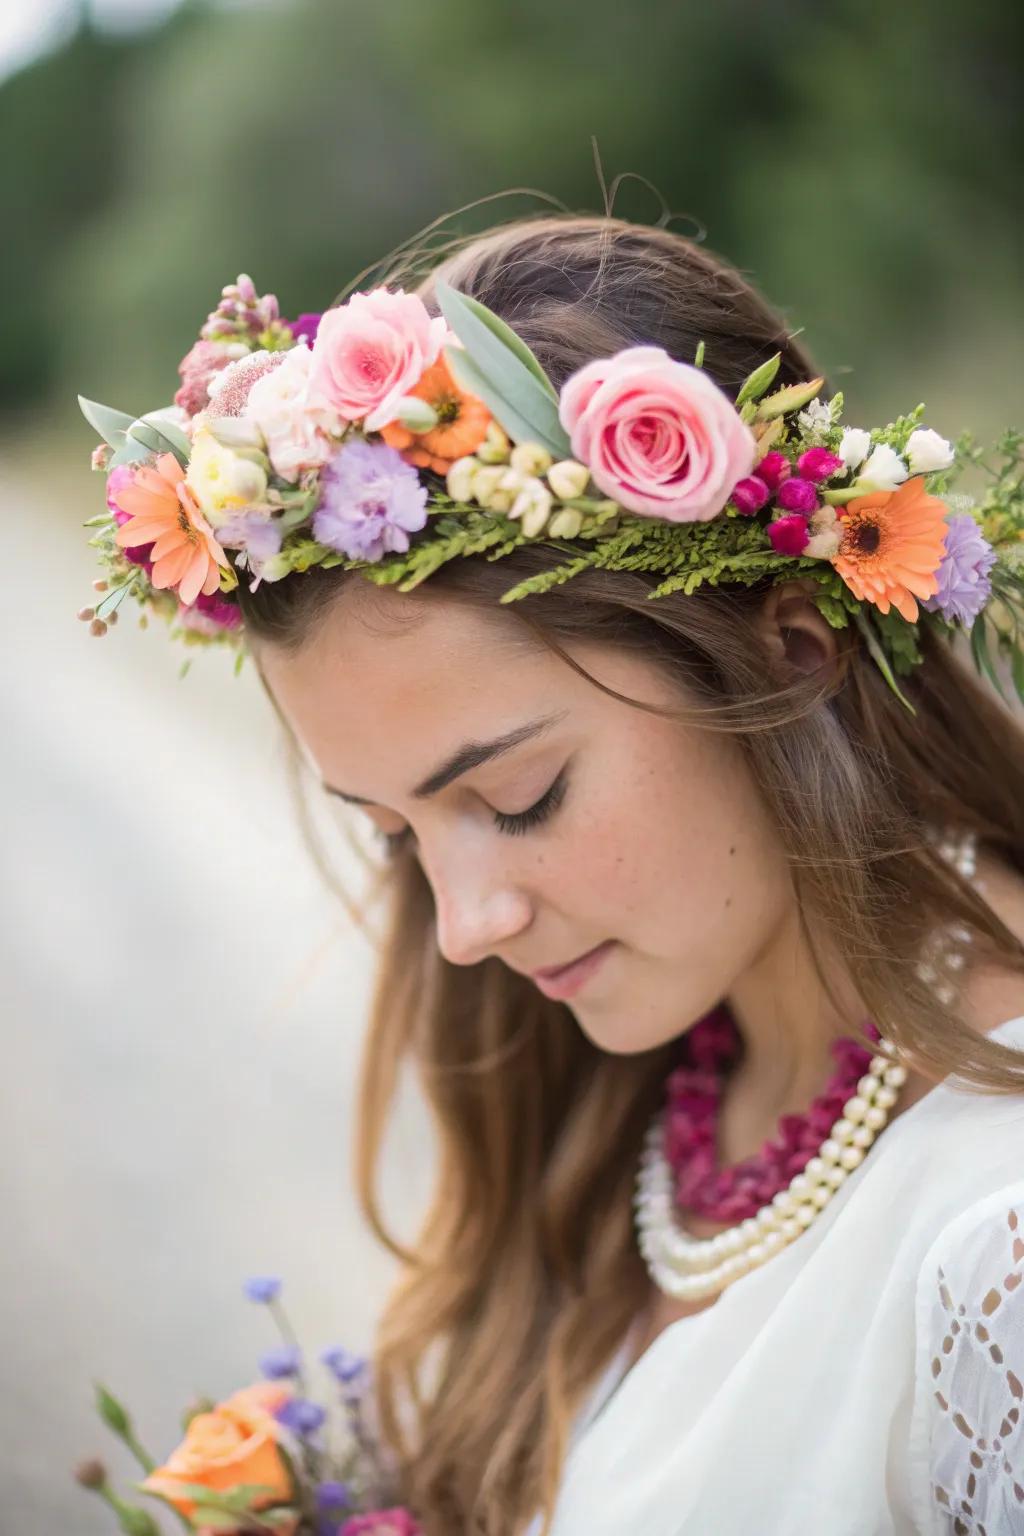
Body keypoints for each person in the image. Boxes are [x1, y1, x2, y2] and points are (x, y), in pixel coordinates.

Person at [83, 214, 1024, 1533]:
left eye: (518, 799)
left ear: (797, 653)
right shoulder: (631, 1096)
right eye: (397, 834)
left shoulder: (996, 1259)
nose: (464, 928)